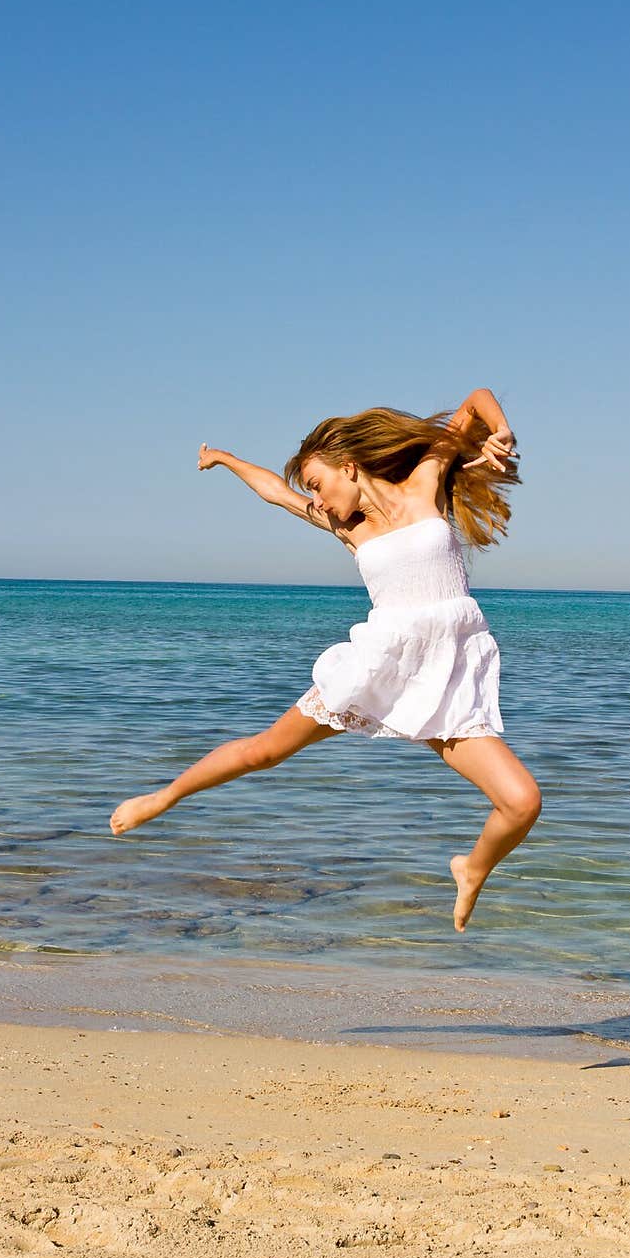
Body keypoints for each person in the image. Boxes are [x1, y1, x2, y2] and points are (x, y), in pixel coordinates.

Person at [110, 388, 542, 931]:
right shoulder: (346, 527)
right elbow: (275, 493)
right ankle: (163, 796)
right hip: (379, 666)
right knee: (264, 752)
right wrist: (225, 459)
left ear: (350, 467)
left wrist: (501, 432)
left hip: (445, 674)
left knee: (522, 802)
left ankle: (471, 868)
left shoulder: (424, 483)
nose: (313, 498)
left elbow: (476, 400)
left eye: (316, 483)